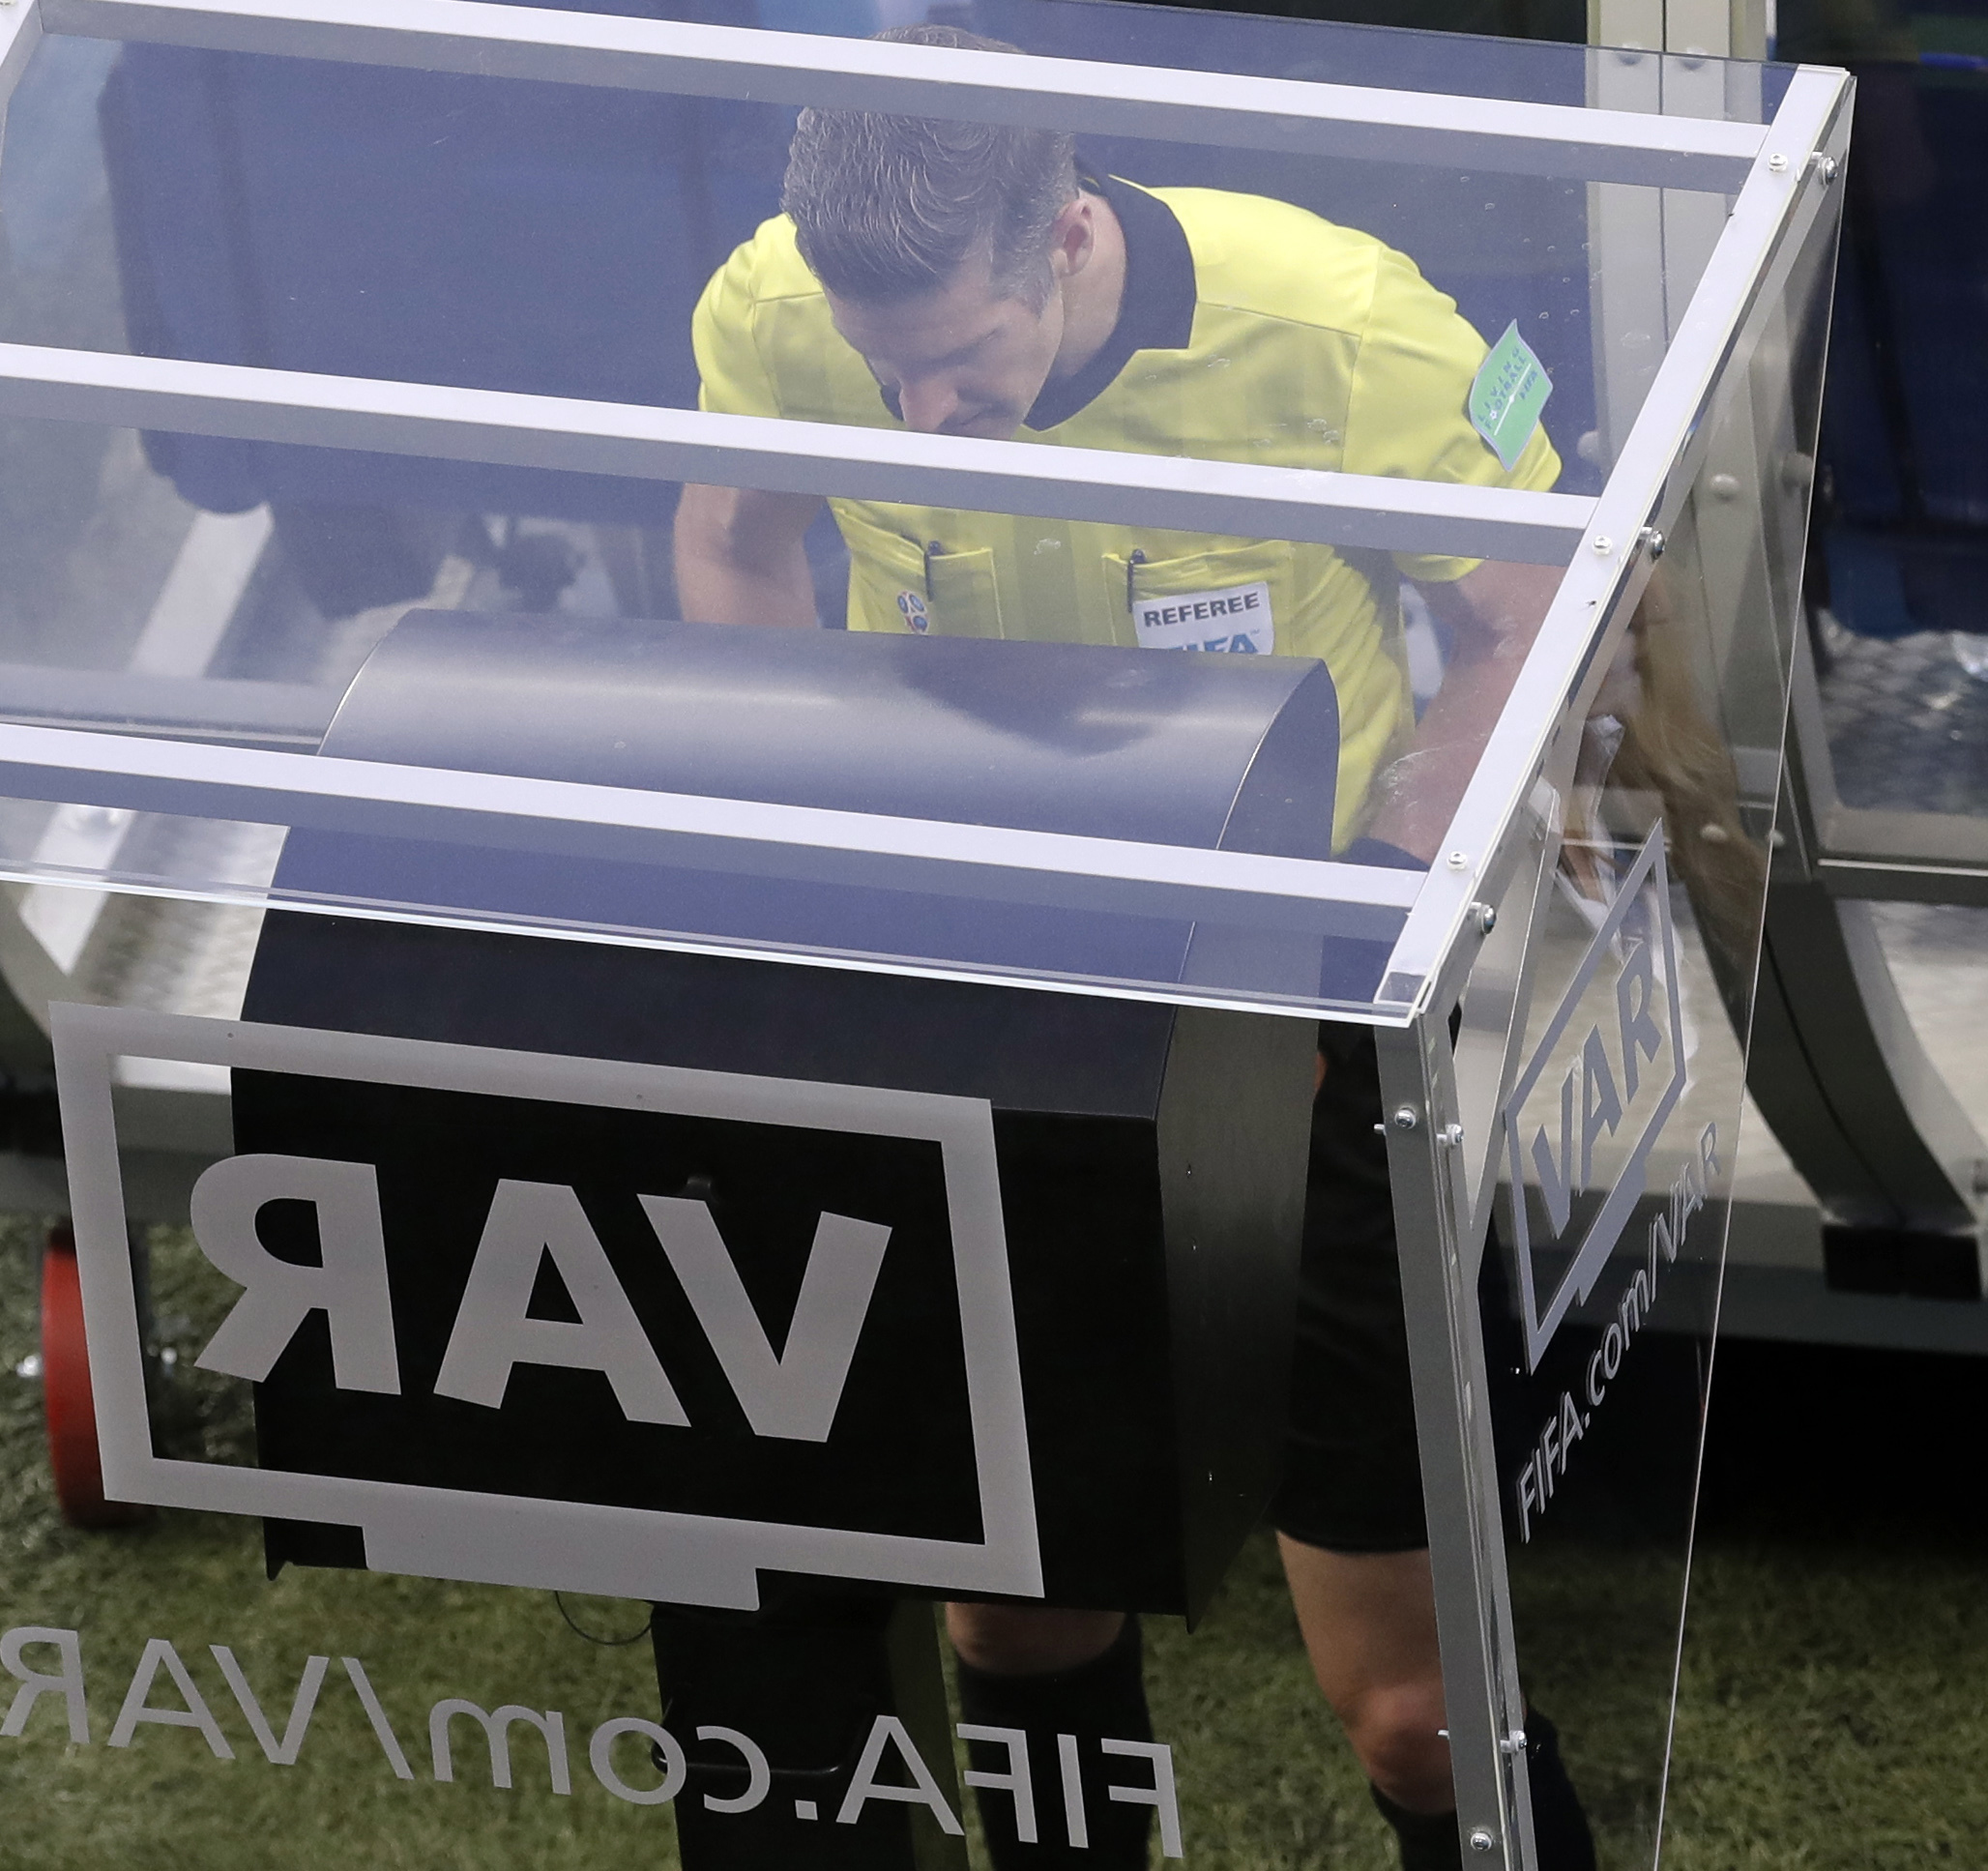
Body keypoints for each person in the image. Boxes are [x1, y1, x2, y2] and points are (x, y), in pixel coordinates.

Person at [674, 24, 1595, 1870]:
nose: (918, 410)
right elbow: (734, 545)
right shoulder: (774, 305)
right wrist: (812, 855)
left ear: (1071, 235)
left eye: (959, 360)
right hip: (997, 997)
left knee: (1416, 1717)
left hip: (1296, 1010)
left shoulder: (1340, 325)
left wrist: (1362, 923)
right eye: (883, 366)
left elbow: (1544, 609)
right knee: (1017, 1616)